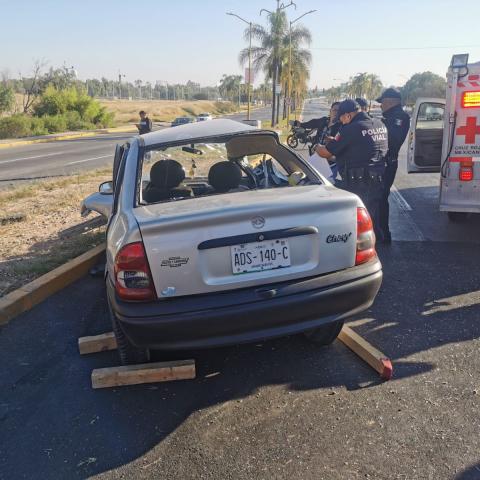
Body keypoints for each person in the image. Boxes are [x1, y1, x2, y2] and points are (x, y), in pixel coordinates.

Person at [314, 99, 388, 239]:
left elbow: (325, 153)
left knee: (357, 223)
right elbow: (363, 149)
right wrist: (337, 142)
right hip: (377, 180)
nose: (341, 123)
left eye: (342, 119)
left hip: (358, 184)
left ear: (348, 115)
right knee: (372, 217)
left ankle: (364, 253)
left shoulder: (351, 128)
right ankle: (378, 248)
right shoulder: (379, 124)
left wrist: (317, 147)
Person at [376, 88, 410, 244]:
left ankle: (383, 233)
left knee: (381, 196)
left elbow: (393, 140)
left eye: (382, 102)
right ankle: (378, 230)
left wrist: (379, 126)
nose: (380, 106)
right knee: (377, 196)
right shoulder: (389, 117)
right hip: (382, 163)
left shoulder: (400, 117)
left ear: (389, 101)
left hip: (387, 163)